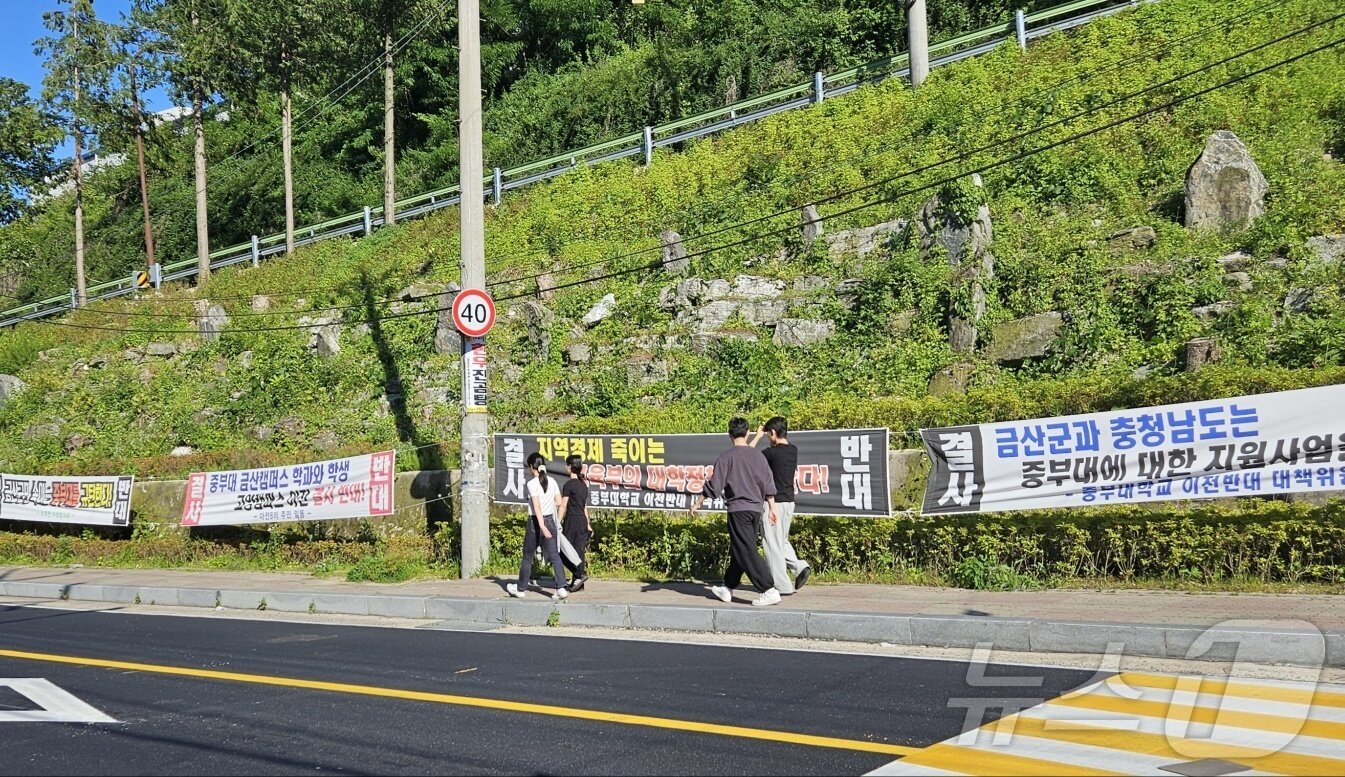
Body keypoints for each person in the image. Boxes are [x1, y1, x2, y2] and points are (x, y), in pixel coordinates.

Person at [689, 417, 782, 607]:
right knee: (740, 547)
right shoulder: (758, 456)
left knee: (745, 549)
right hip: (756, 509)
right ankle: (728, 587)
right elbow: (768, 484)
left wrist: (697, 503)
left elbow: (714, 486)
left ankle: (768, 589)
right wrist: (772, 508)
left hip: (738, 509)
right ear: (748, 433)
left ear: (729, 435)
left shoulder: (726, 457)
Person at [750, 416, 811, 594]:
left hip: (773, 504)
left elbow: (746, 453)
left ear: (773, 433)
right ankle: (799, 567)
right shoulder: (793, 450)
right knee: (781, 540)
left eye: (769, 435)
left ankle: (782, 585)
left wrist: (757, 436)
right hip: (789, 502)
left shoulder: (771, 453)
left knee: (771, 544)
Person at [507, 452, 568, 601]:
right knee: (555, 556)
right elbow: (559, 502)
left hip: (536, 522)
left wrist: (541, 525)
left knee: (528, 556)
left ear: (531, 467)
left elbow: (536, 506)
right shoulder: (552, 481)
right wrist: (548, 510)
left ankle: (520, 589)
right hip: (550, 520)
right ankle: (561, 588)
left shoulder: (532, 484)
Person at [557, 454, 593, 592]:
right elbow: (584, 507)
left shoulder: (569, 485)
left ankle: (579, 575)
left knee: (562, 551)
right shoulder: (583, 485)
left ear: (570, 467)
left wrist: (557, 522)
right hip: (582, 522)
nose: (566, 467)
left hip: (572, 521)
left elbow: (563, 505)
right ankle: (578, 582)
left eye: (567, 465)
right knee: (579, 553)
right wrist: (588, 524)